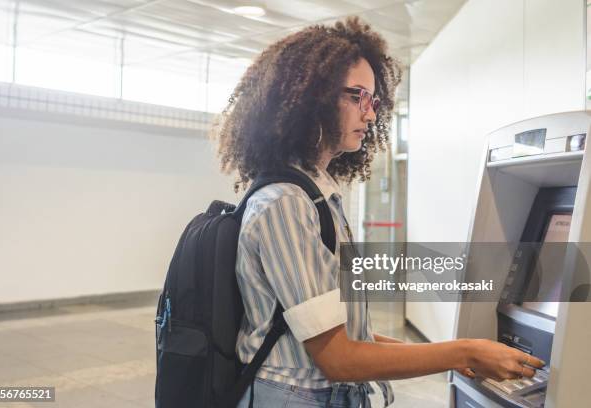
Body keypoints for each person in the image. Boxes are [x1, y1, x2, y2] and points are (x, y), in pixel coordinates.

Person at [213, 17, 544, 408]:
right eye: (357, 97)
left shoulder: (316, 196)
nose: (370, 115)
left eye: (373, 101)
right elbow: (338, 358)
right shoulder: (286, 203)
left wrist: (454, 350)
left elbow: (352, 336)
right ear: (311, 99)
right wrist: (465, 353)